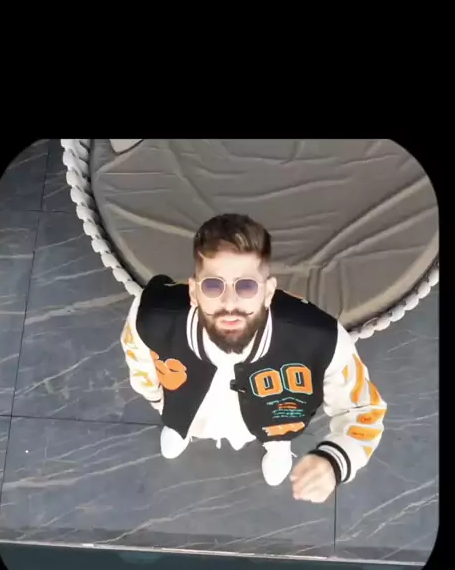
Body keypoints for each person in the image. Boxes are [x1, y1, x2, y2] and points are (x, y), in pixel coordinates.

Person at [121, 214, 386, 503]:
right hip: (188, 406)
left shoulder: (321, 338)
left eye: (246, 286)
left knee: (277, 433)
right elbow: (140, 365)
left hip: (277, 420)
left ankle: (277, 445)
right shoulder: (150, 316)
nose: (230, 304)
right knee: (180, 418)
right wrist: (162, 404)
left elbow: (363, 409)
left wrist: (336, 460)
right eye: (213, 286)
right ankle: (181, 426)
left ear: (269, 292)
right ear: (193, 291)